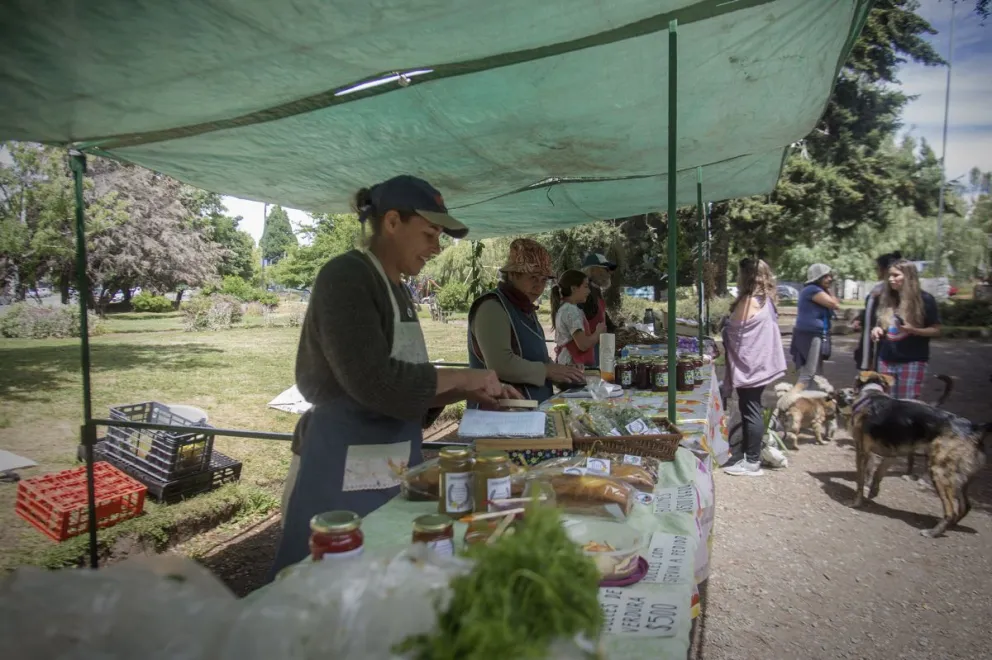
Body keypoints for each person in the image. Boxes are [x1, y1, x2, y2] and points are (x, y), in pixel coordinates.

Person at [271, 175, 516, 578]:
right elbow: (375, 383)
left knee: (385, 583)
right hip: (338, 464)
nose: (436, 247)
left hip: (391, 463)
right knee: (323, 590)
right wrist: (466, 378)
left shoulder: (398, 289)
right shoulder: (347, 277)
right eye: (430, 233)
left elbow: (405, 387)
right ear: (391, 222)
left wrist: (462, 391)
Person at [468, 238, 585, 403]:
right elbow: (500, 365)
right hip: (498, 415)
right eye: (533, 278)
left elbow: (538, 359)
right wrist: (547, 370)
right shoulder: (492, 307)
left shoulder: (525, 308)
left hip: (527, 411)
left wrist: (564, 373)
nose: (539, 286)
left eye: (544, 280)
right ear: (513, 275)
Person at [721, 258, 787, 477]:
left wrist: (724, 327)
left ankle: (752, 461)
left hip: (751, 366)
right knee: (752, 408)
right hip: (760, 364)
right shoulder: (765, 299)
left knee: (751, 410)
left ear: (745, 276)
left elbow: (734, 330)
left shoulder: (749, 301)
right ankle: (749, 455)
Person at [870, 259, 941, 400]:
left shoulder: (925, 299)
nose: (891, 279)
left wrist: (915, 330)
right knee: (885, 404)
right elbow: (882, 324)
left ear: (909, 276)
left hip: (912, 361)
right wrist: (877, 329)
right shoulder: (886, 298)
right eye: (889, 275)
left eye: (896, 275)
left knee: (906, 405)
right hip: (885, 360)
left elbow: (936, 330)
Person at [790, 263, 840, 390]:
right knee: (809, 371)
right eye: (825, 276)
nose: (830, 279)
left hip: (813, 333)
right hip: (810, 334)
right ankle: (794, 398)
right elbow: (834, 304)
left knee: (817, 371)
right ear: (817, 278)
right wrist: (831, 290)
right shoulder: (812, 290)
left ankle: (812, 399)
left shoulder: (816, 290)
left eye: (830, 276)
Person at [852, 251, 903, 370]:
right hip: (869, 336)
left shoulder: (893, 292)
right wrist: (861, 318)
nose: (877, 271)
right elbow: (871, 310)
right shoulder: (878, 289)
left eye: (878, 268)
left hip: (882, 339)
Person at [550, 269, 606, 366]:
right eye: (585, 286)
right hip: (572, 366)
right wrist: (598, 332)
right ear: (573, 288)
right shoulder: (571, 310)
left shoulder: (566, 308)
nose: (588, 291)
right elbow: (583, 345)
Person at [579, 253, 618, 364]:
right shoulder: (585, 292)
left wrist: (614, 328)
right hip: (587, 352)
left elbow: (601, 314)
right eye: (606, 269)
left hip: (597, 347)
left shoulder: (595, 289)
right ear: (593, 270)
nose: (609, 273)